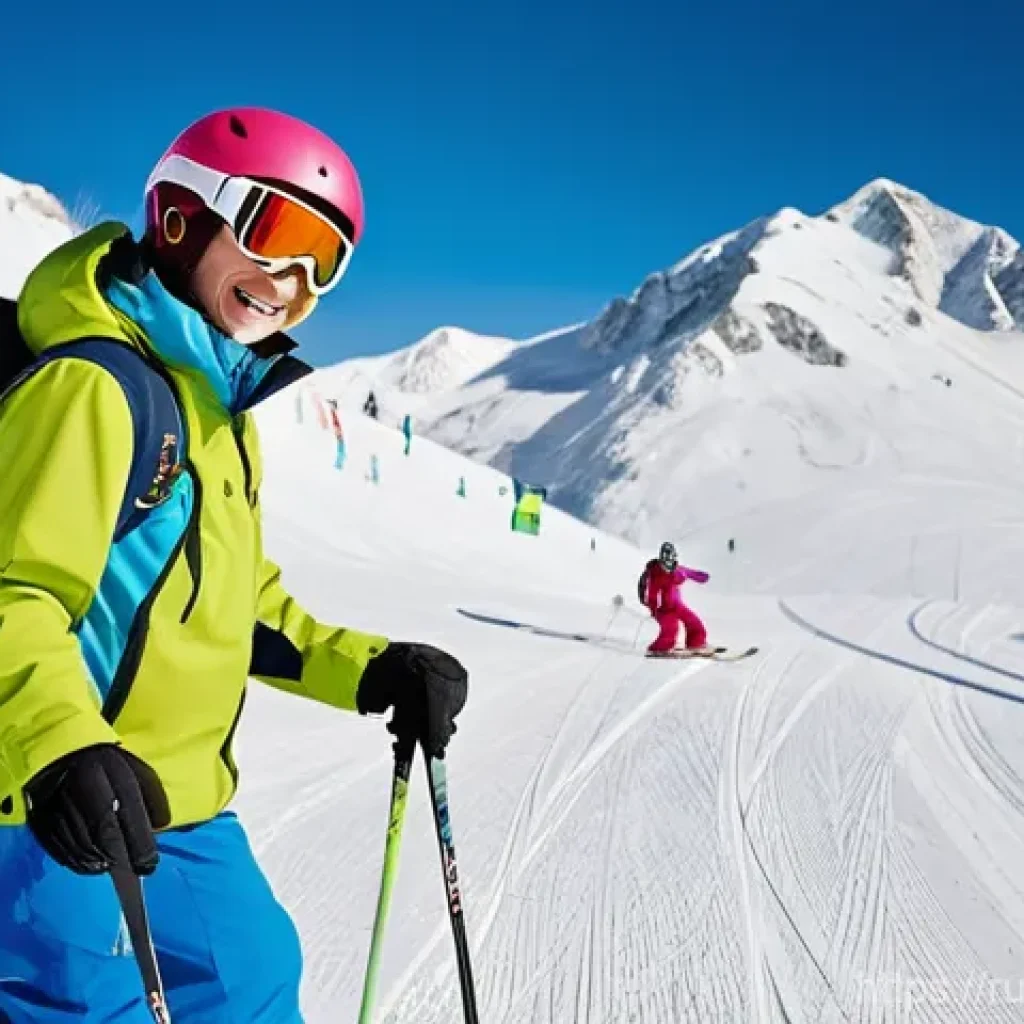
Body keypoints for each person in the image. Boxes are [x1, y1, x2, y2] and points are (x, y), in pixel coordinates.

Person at [0, 107, 468, 1023]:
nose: (291, 281)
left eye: (322, 261)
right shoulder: (95, 387)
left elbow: (240, 608)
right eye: (277, 233)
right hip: (56, 801)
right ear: (180, 215)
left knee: (250, 974)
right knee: (82, 1001)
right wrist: (63, 750)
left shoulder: (217, 410)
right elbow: (15, 594)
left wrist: (372, 669)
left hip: (180, 802)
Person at [638, 541, 711, 654]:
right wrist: (653, 610)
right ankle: (658, 649)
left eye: (670, 559)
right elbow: (651, 595)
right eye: (666, 560)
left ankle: (696, 644)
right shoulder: (656, 574)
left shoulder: (678, 570)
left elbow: (691, 573)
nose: (668, 564)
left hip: (677, 605)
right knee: (671, 628)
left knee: (695, 623)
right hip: (663, 609)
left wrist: (703, 577)